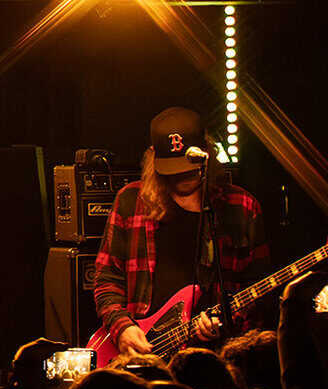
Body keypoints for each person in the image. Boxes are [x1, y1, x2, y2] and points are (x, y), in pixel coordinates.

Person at [94, 106, 267, 364]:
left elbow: (258, 290)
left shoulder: (241, 207)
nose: (183, 177)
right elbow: (107, 278)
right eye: (173, 171)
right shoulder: (130, 201)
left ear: (207, 154)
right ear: (153, 160)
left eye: (190, 168)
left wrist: (226, 320)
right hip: (144, 356)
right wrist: (122, 327)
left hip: (216, 361)